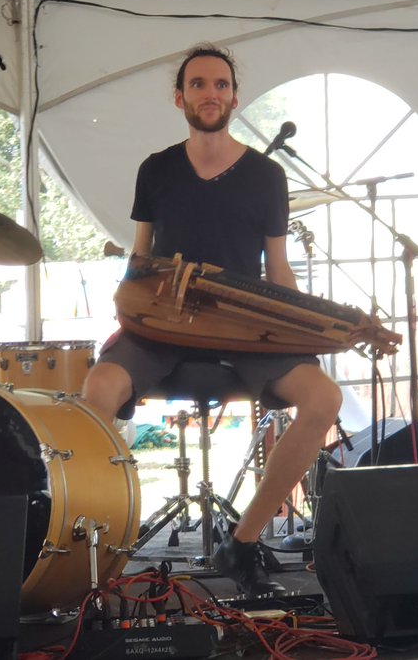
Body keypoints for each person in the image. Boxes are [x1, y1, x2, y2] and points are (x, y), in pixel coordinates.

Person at [81, 44, 342, 596]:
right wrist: (127, 307)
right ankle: (97, 548)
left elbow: (278, 267)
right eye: (198, 85)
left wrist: (301, 328)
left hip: (245, 328)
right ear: (180, 98)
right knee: (96, 391)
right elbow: (139, 255)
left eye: (220, 85)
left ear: (234, 98)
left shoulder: (266, 175)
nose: (210, 93)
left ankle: (241, 544)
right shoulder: (156, 169)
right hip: (164, 323)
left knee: (324, 399)